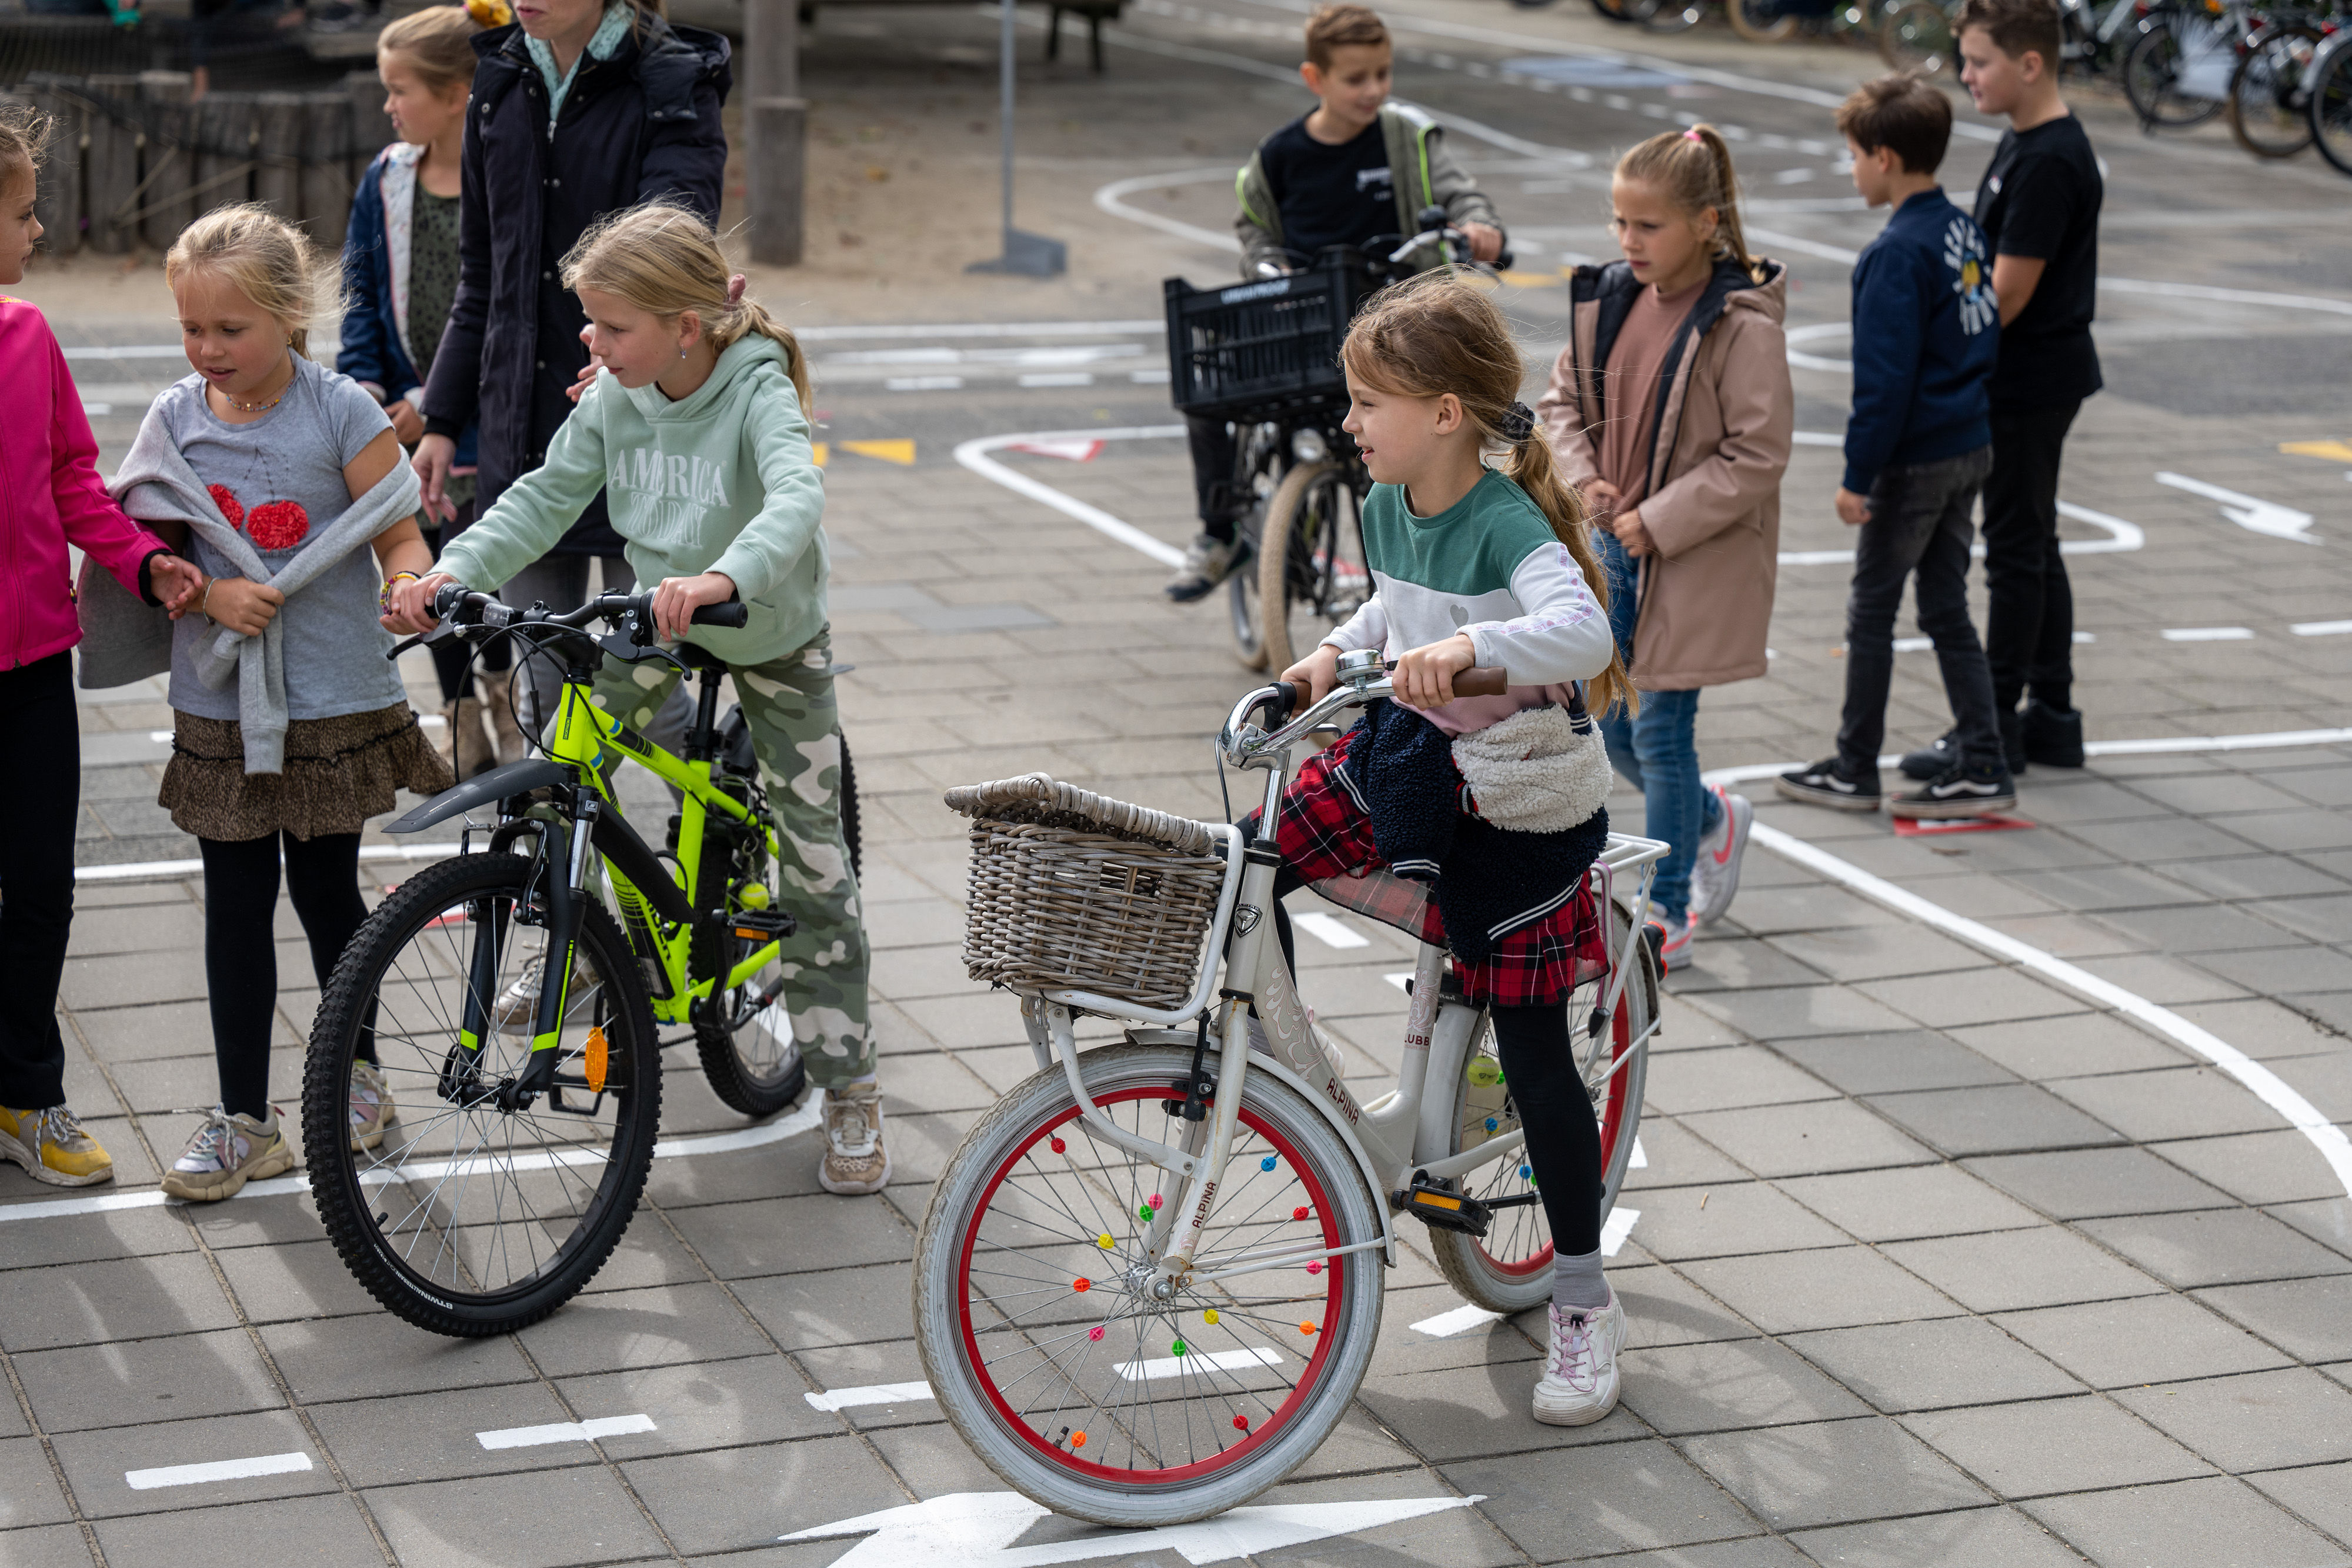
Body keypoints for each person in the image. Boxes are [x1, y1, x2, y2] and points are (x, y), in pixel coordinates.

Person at [386, 204, 886, 1196]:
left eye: (612, 327)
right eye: (591, 323)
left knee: (815, 861)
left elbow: (794, 497)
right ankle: (586, 941)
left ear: (684, 327)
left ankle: (850, 1084)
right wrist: (451, 572)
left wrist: (720, 578)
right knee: (566, 763)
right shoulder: (617, 395)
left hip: (767, 626)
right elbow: (541, 494)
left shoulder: (753, 390)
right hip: (657, 621)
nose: (592, 342)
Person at [1272, 273, 1633, 1426]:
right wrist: (1333, 653)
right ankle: (1284, 1079)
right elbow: (1389, 609)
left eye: (1367, 403)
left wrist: (1476, 644)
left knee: (1533, 1052)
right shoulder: (1382, 500)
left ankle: (1579, 1298)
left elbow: (1583, 630)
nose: (1348, 423)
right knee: (1240, 864)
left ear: (1443, 414)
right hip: (1417, 763)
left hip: (1521, 801)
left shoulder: (1502, 516)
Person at [91, 205, 451, 1202]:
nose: (208, 351)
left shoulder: (342, 410)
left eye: (230, 331)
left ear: (289, 317)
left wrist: (406, 588)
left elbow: (398, 533)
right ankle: (245, 1120)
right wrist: (201, 589)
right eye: (191, 330)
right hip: (219, 705)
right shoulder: (176, 417)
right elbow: (145, 548)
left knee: (328, 895)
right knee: (236, 905)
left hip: (330, 697)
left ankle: (356, 1081)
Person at [412, 0, 729, 745]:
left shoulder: (674, 77)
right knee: (542, 693)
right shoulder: (501, 74)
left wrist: (614, 357)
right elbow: (482, 275)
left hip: (640, 420)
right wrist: (442, 419)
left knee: (646, 687)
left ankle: (710, 840)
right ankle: (557, 865)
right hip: (524, 428)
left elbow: (673, 257)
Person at [0, 106, 204, 1189]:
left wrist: (143, 562)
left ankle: (27, 1094)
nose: (38, 233)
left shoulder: (29, 339)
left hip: (33, 669)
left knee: (39, 891)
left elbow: (77, 476)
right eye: (25, 213)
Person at [1535, 126, 1789, 966]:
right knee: (1608, 722)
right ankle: (1713, 820)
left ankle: (1667, 906)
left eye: (1646, 226)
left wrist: (1660, 519)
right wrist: (1584, 483)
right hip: (1611, 548)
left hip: (1689, 557)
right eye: (1619, 222)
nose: (1626, 241)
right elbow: (1560, 403)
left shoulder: (1739, 323)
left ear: (1705, 224)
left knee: (1666, 732)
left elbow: (1755, 452)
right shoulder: (1608, 298)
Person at [1166, 2, 1505, 603]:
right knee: (1208, 385)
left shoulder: (1405, 137)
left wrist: (1478, 226)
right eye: (1356, 78)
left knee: (1448, 424)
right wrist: (1267, 264)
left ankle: (1445, 558)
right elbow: (1255, 231)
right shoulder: (1280, 156)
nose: (1374, 89)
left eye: (1383, 73)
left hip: (1398, 332)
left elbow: (1460, 192)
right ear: (1314, 79)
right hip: (1302, 326)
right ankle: (1221, 533)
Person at [1779, 75, 2010, 820]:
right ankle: (1983, 758)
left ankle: (1855, 766)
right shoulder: (1962, 231)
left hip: (1914, 460)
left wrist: (1857, 476)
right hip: (1970, 442)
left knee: (1871, 610)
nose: (1851, 170)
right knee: (1947, 605)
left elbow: (1883, 384)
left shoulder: (1894, 255)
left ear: (1884, 157)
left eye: (1852, 155)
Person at [1904, 0, 2099, 780]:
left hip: (2028, 379)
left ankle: (1996, 724)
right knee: (2034, 544)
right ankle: (2050, 714)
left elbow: (2007, 295)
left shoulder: (2048, 158)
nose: (1965, 75)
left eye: (1978, 61)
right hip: (2034, 375)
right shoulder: (2025, 141)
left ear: (2029, 64)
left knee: (2014, 553)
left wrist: (1934, 341)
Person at [343, 2, 522, 779]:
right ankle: (461, 721)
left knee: (491, 580)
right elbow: (360, 292)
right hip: (405, 428)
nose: (388, 105)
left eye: (401, 89)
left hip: (481, 422)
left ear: (457, 94)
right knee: (429, 581)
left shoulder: (506, 171)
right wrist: (369, 392)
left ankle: (509, 710)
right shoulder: (385, 181)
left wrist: (435, 400)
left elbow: (500, 305)